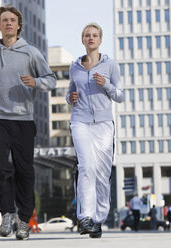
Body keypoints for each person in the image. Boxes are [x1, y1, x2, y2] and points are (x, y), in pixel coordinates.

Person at [0, 5, 56, 240]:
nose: (9, 23)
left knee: (24, 172)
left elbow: (51, 80)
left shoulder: (30, 53)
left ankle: (23, 221)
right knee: (0, 167)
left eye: (12, 20)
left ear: (19, 25)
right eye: (4, 20)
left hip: (23, 120)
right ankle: (7, 214)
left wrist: (35, 82)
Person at [67, 22, 124, 238]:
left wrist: (106, 85)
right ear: (83, 40)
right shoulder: (75, 67)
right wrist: (69, 98)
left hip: (103, 124)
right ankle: (85, 217)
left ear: (100, 40)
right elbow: (70, 92)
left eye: (95, 35)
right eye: (87, 35)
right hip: (80, 121)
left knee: (102, 173)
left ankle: (99, 219)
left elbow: (120, 95)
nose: (91, 38)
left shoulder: (110, 66)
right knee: (86, 167)